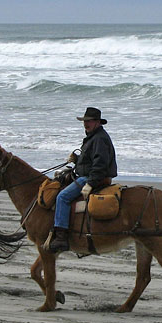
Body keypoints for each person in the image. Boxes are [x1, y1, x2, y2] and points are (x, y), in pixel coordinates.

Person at [46, 107, 118, 253]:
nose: (86, 124)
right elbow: (90, 161)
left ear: (97, 122)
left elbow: (100, 164)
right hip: (89, 175)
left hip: (94, 178)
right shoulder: (93, 136)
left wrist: (90, 183)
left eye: (89, 121)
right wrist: (76, 159)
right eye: (85, 121)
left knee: (62, 197)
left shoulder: (99, 139)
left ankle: (61, 237)